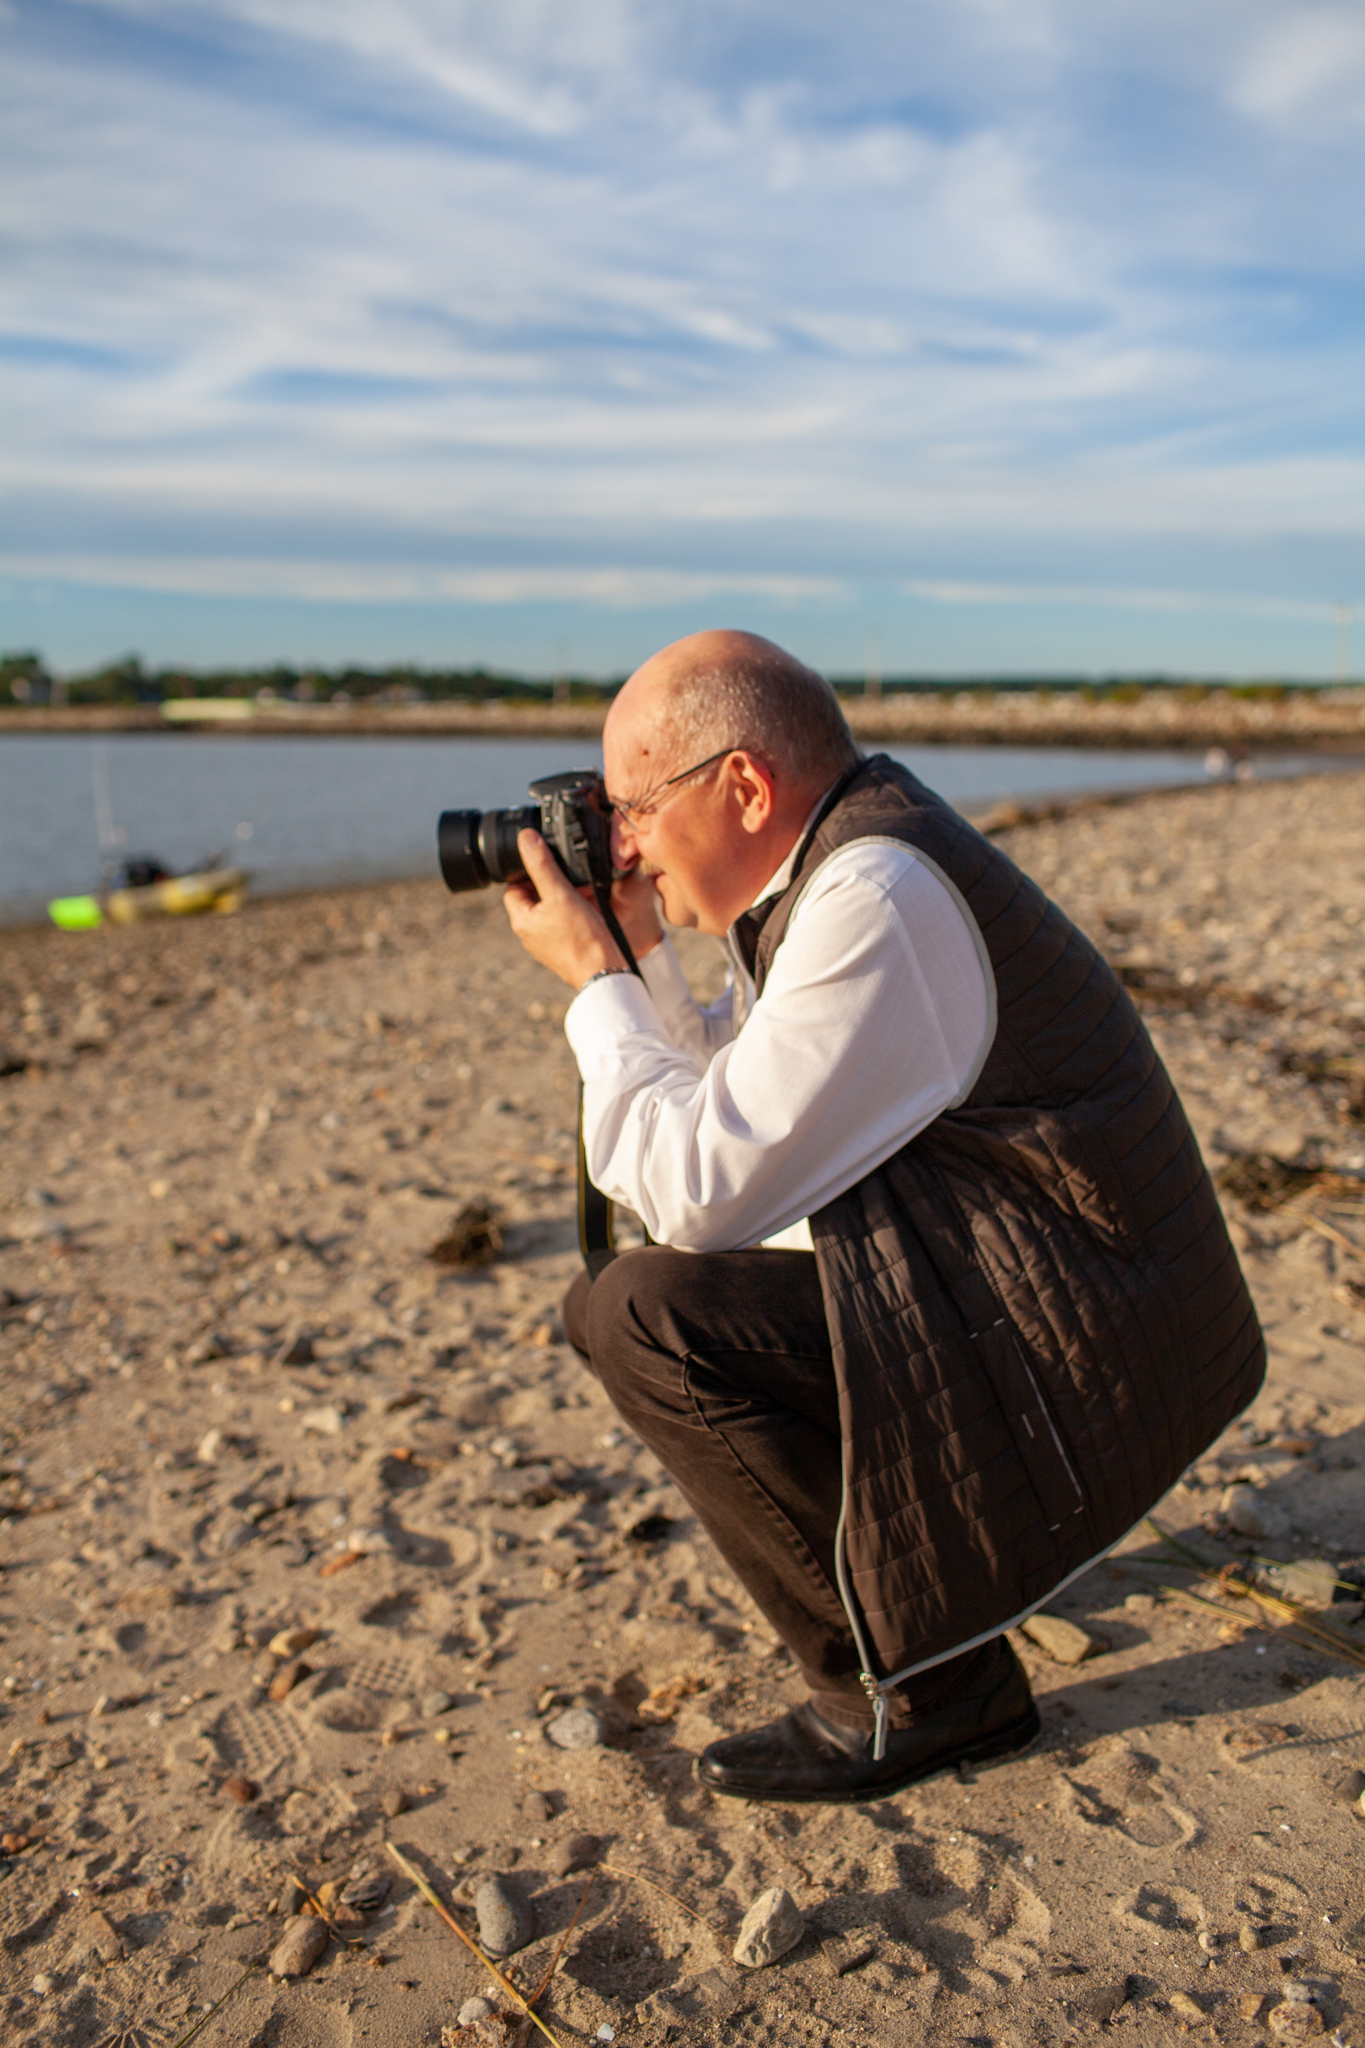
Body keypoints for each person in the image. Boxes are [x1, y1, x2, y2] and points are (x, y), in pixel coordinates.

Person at [501, 629, 1265, 1805]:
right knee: (624, 1299)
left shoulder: (877, 894)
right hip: (1057, 1297)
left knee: (647, 1313)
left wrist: (599, 991)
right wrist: (638, 956)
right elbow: (743, 1107)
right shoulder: (843, 861)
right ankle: (940, 1601)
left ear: (745, 785)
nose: (625, 842)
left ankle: (930, 1690)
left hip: (1093, 1352)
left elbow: (704, 1189)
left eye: (634, 808)